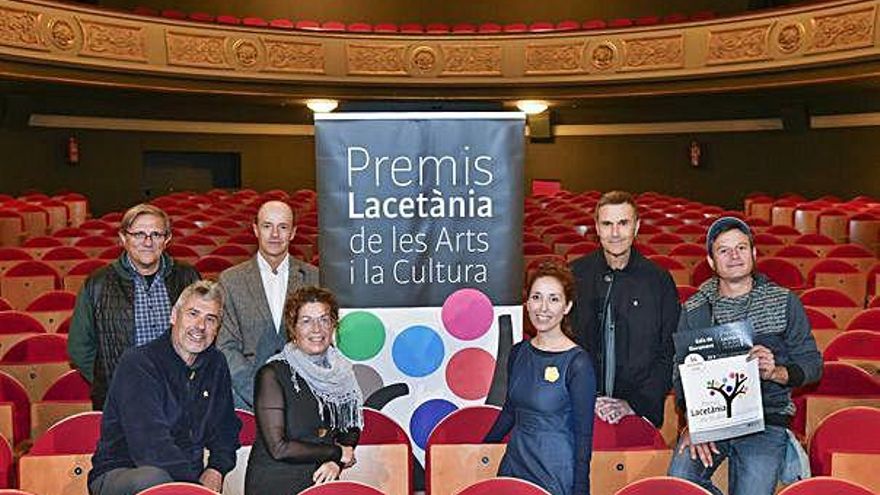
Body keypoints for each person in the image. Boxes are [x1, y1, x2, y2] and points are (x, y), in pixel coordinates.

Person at [668, 217, 822, 495]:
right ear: (712, 261)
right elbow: (681, 375)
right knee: (679, 482)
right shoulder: (694, 308)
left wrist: (777, 372)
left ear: (753, 253)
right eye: (723, 250)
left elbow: (813, 366)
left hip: (765, 419)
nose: (734, 256)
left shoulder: (783, 301)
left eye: (741, 247)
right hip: (710, 421)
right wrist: (694, 423)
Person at [88, 280, 241, 495]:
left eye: (210, 319)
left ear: (217, 329)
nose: (200, 326)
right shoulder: (138, 363)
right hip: (125, 471)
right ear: (173, 316)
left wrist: (217, 467)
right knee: (155, 478)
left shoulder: (216, 363)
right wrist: (195, 490)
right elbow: (150, 445)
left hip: (185, 477)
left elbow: (225, 426)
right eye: (193, 314)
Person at [68, 203, 200, 409]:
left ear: (167, 240)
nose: (148, 242)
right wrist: (113, 383)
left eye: (156, 234)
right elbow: (79, 348)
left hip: (181, 395)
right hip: (123, 400)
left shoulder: (188, 277)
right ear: (123, 238)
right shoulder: (97, 284)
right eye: (139, 234)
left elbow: (206, 334)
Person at [484, 261, 595, 495]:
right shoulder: (518, 352)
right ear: (527, 302)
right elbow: (510, 411)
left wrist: (581, 489)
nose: (542, 308)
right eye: (536, 297)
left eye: (554, 299)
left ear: (567, 307)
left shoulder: (578, 362)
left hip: (554, 470)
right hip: (515, 464)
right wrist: (480, 448)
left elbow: (584, 435)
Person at [570, 190, 678, 427]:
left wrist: (635, 404)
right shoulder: (574, 275)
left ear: (636, 227)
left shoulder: (659, 281)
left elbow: (669, 352)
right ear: (597, 228)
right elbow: (558, 343)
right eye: (607, 224)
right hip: (577, 408)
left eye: (623, 223)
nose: (615, 233)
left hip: (639, 412)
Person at [245, 286, 361, 495]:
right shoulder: (272, 374)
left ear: (333, 325)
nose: (316, 329)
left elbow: (350, 428)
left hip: (321, 481)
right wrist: (336, 452)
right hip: (276, 482)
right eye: (306, 321)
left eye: (324, 320)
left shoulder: (342, 373)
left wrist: (336, 463)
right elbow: (279, 448)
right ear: (293, 328)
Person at [217, 200, 319, 410]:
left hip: (305, 398)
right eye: (267, 226)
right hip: (247, 398)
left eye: (282, 227)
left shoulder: (314, 277)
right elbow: (226, 346)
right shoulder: (230, 280)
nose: (275, 234)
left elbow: (324, 342)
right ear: (255, 230)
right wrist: (259, 392)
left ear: (293, 233)